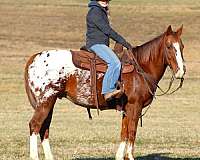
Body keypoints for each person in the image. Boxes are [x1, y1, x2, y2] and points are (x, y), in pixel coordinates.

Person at [86, 0, 133, 100]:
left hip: (101, 44)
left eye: (107, 0)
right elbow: (107, 30)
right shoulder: (95, 12)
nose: (105, 1)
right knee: (115, 63)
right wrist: (124, 43)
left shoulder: (100, 11)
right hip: (96, 44)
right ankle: (108, 90)